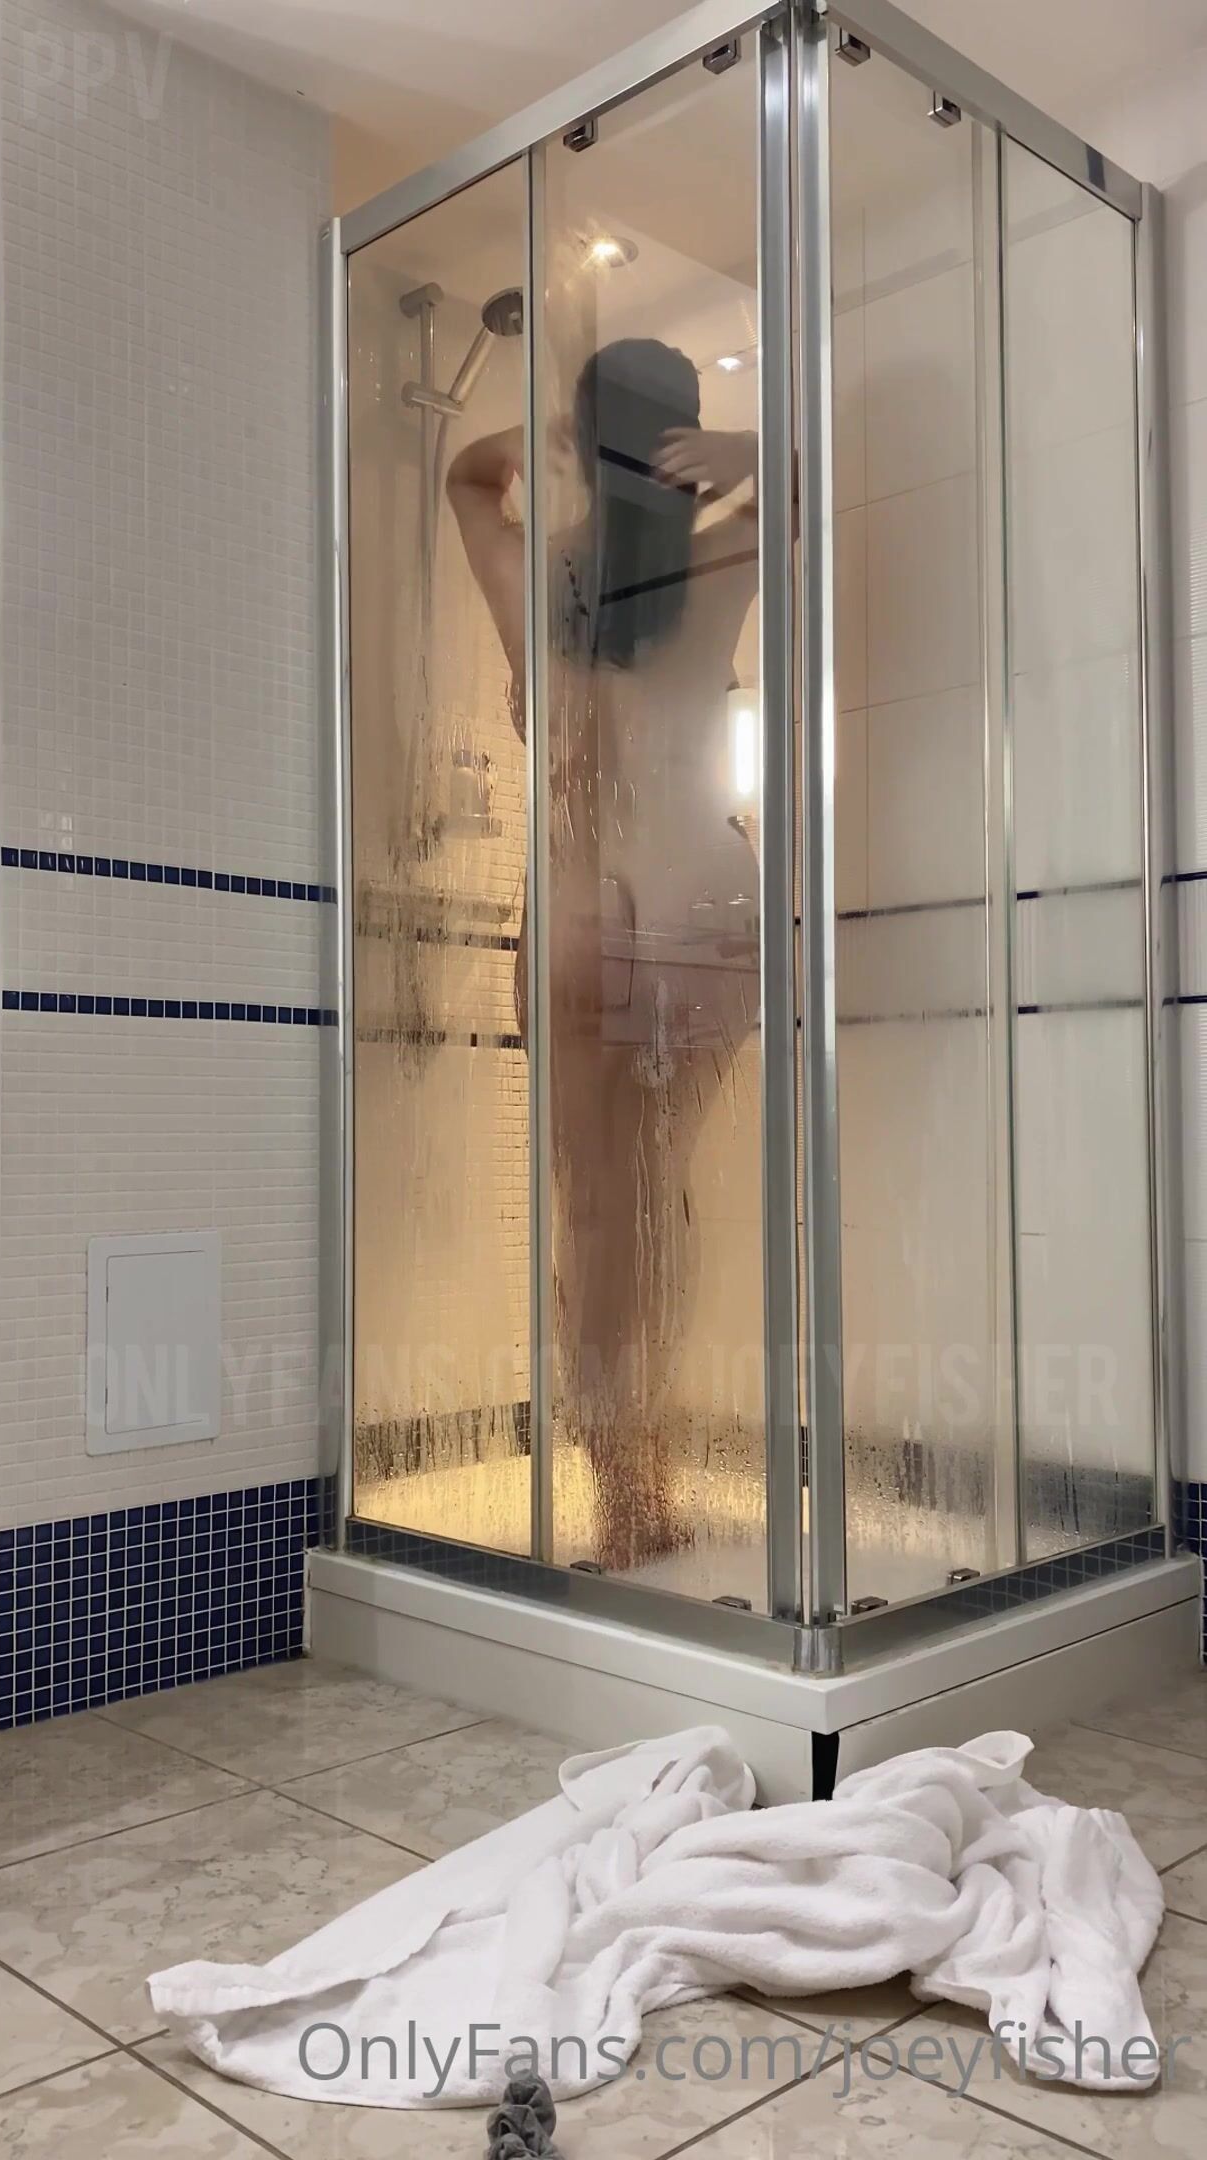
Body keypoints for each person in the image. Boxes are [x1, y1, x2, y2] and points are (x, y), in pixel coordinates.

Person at [447, 339, 761, 1574]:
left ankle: (627, 1495)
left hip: (588, 911)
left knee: (595, 1218)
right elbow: (819, 502)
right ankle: (655, 1467)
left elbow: (466, 481)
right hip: (713, 912)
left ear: (584, 441)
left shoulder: (543, 571)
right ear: (685, 445)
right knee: (659, 1202)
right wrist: (755, 454)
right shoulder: (722, 557)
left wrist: (535, 443)